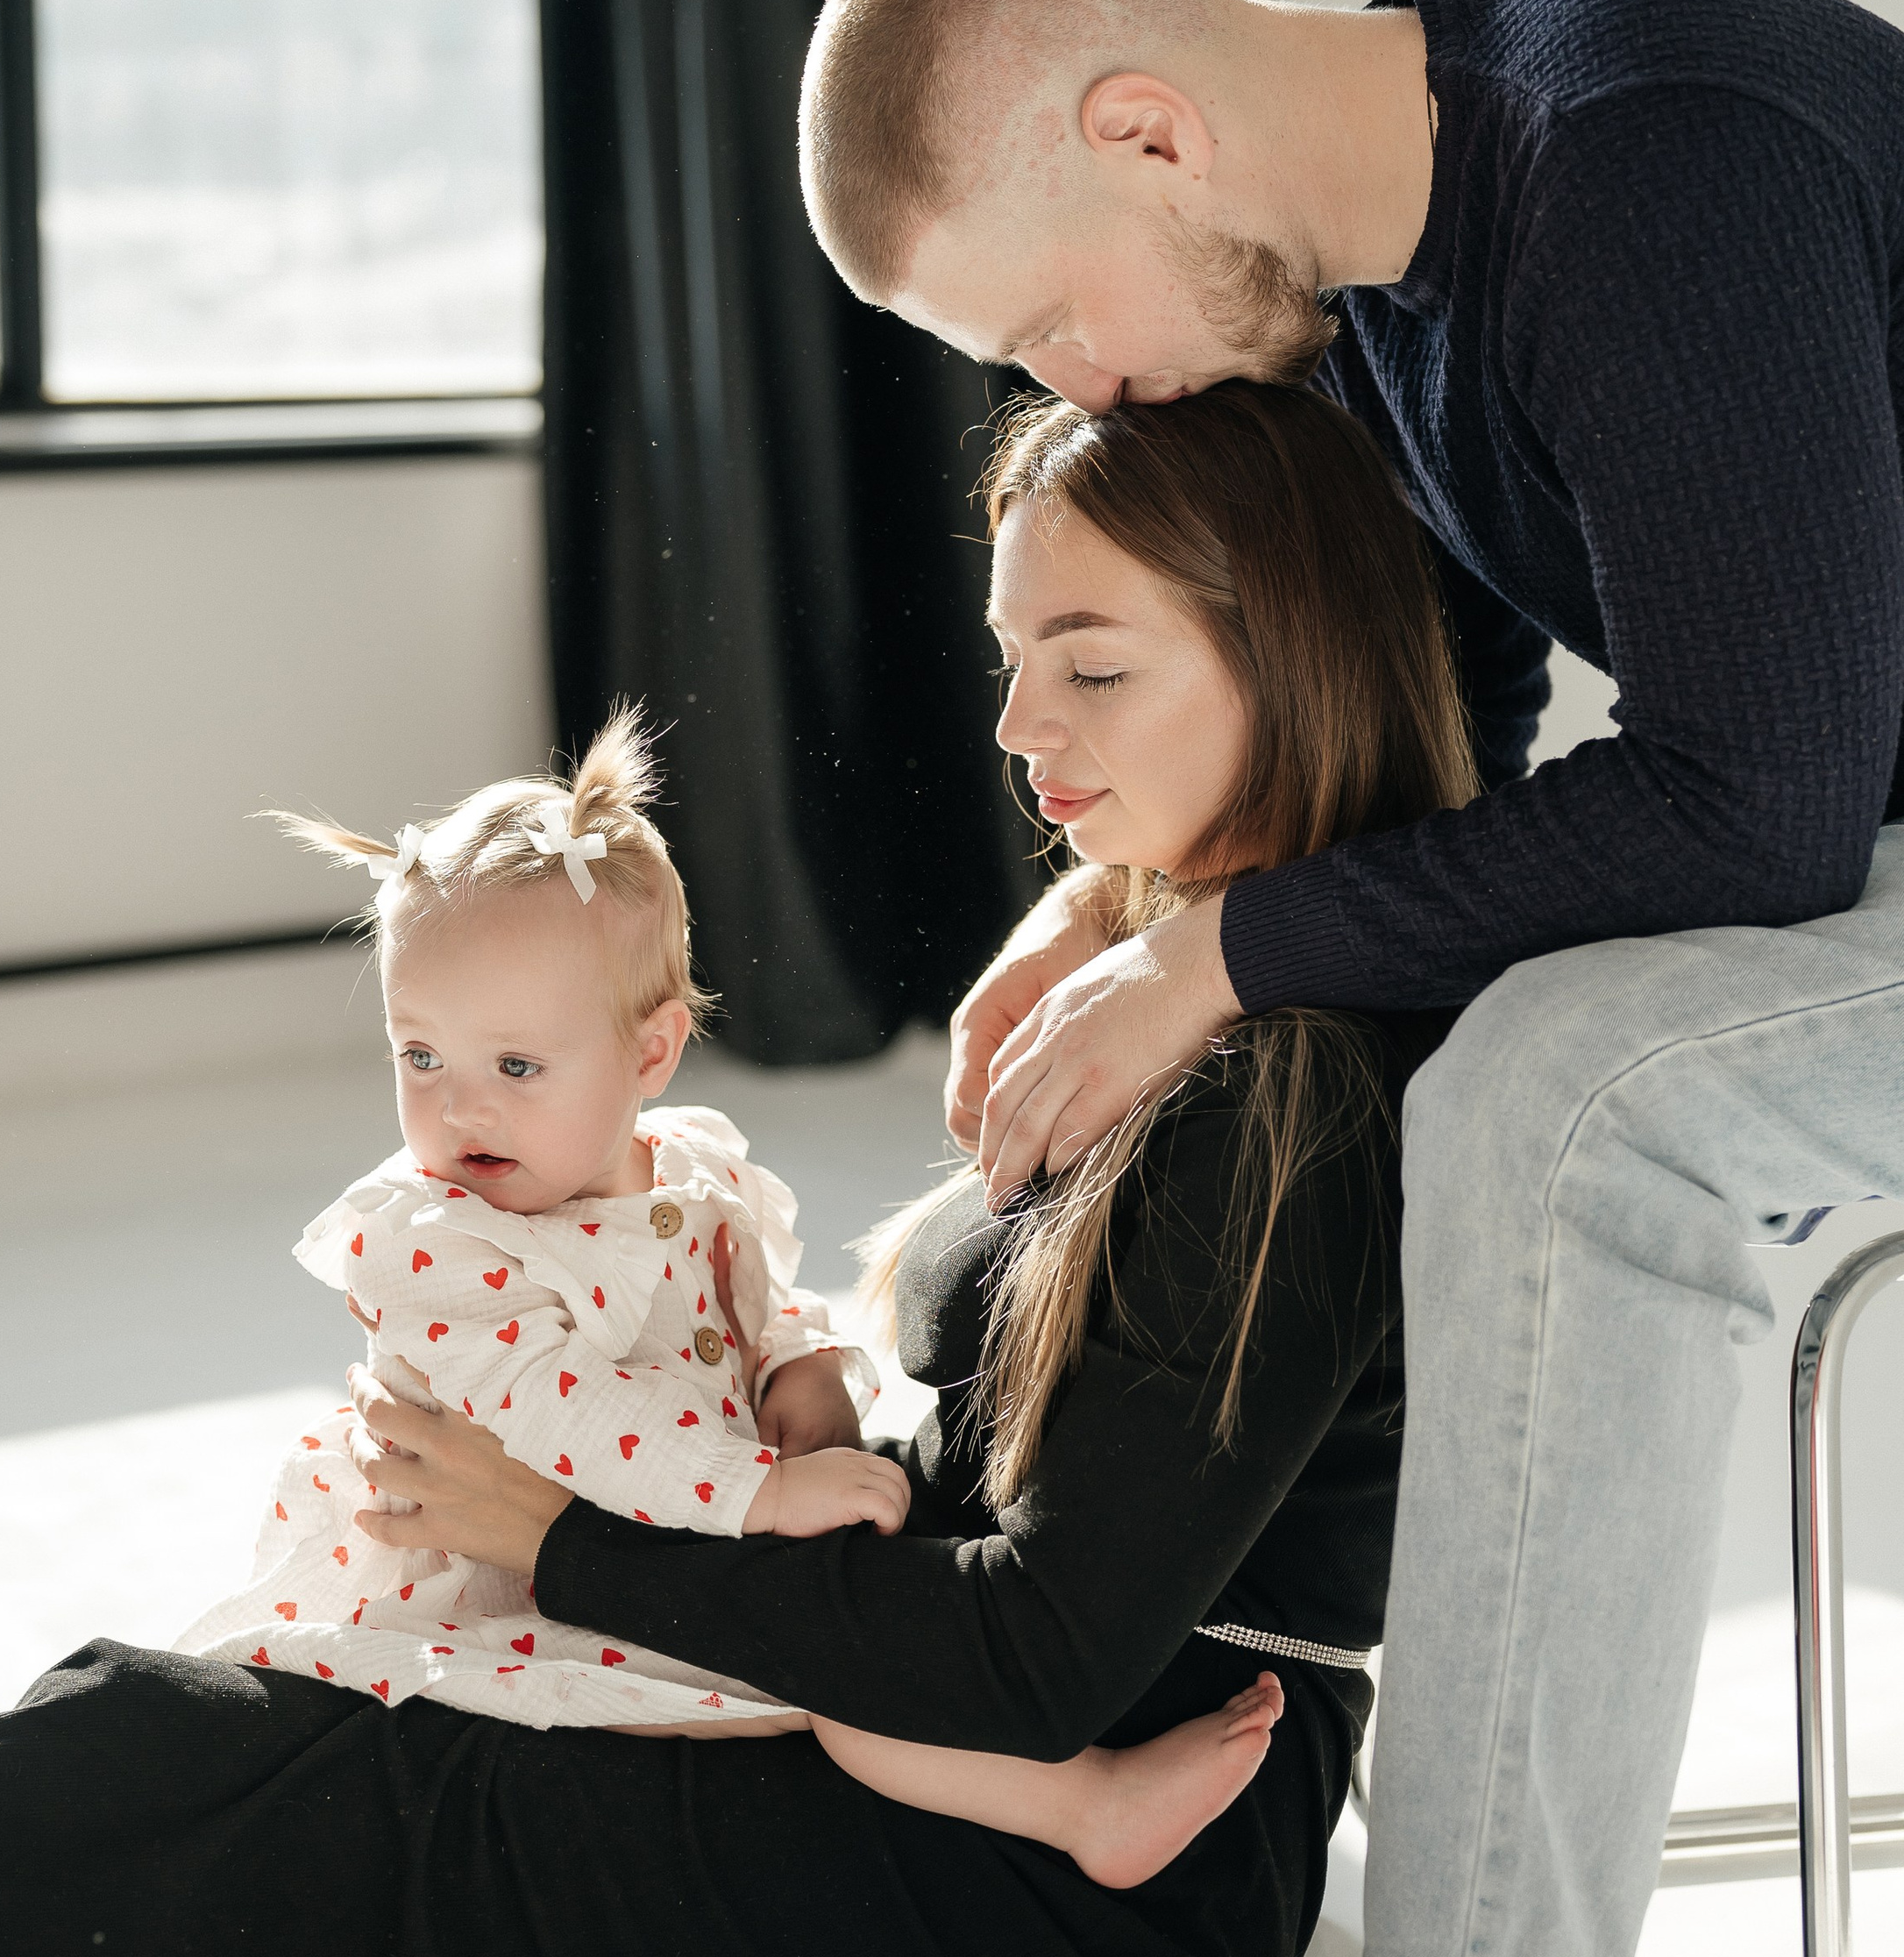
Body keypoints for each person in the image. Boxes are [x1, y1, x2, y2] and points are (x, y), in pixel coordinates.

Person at [0, 383, 1462, 1957]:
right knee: (205, 1779)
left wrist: (555, 1537)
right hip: (948, 1768)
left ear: (1287, 660)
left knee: (263, 1798)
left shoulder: (1278, 1104)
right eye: (1011, 657)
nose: (1013, 727)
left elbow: (1030, 1660)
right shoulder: (1186, 979)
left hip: (1041, 1936)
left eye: (1089, 670)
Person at [797, 0, 1904, 1957]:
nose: (1082, 383)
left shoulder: (1645, 158)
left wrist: (1220, 957)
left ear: (1147, 130)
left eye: (1045, 320)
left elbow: (1767, 807)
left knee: (1568, 1104)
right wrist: (1129, 906)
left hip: (1858, 822)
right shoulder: (1391, 251)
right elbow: (1455, 706)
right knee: (1451, 1021)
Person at [175, 708, 1285, 1884]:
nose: (460, 1110)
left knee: (865, 1648)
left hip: (674, 1531)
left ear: (650, 1055)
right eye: (419, 1057)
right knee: (846, 1693)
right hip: (509, 1580)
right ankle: (1085, 1811)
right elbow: (563, 1418)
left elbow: (757, 1299)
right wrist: (760, 1490)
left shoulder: (694, 1169)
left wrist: (796, 1369)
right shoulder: (434, 1242)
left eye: (514, 1066)